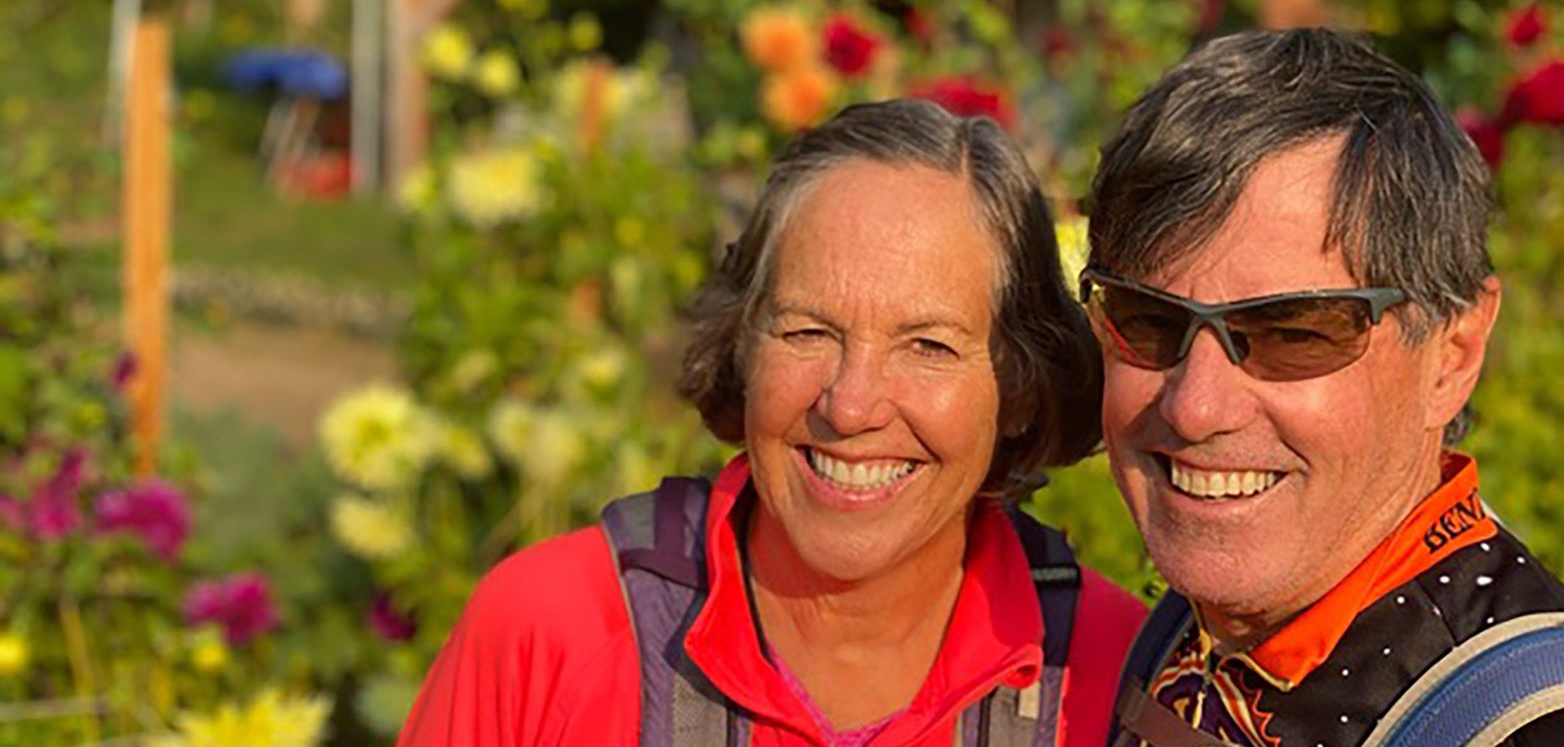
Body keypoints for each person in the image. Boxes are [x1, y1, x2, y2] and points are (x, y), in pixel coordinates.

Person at [397, 99, 1148, 747]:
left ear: (1017, 384)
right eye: (807, 332)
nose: (850, 405)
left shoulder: (1116, 678)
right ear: (742, 344)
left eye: (928, 346)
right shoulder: (551, 631)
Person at [1082, 29, 1564, 746]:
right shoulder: (1190, 634)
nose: (1195, 406)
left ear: (1453, 354)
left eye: (1294, 332)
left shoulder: (1548, 727)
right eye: (1147, 320)